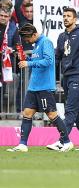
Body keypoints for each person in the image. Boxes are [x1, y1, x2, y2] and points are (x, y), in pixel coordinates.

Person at [7, 23, 72, 152]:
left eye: (27, 38)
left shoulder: (46, 42)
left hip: (44, 86)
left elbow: (48, 61)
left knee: (52, 115)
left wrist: (29, 63)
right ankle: (23, 144)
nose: (27, 41)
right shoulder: (36, 45)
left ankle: (67, 142)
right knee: (27, 113)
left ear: (34, 34)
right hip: (34, 86)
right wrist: (26, 58)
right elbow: (36, 60)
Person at [46, 7, 79, 151]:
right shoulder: (62, 36)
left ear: (75, 19)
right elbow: (57, 58)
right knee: (77, 112)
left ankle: (63, 141)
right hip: (66, 77)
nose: (65, 18)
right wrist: (47, 71)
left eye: (69, 16)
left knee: (70, 109)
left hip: (78, 76)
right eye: (64, 16)